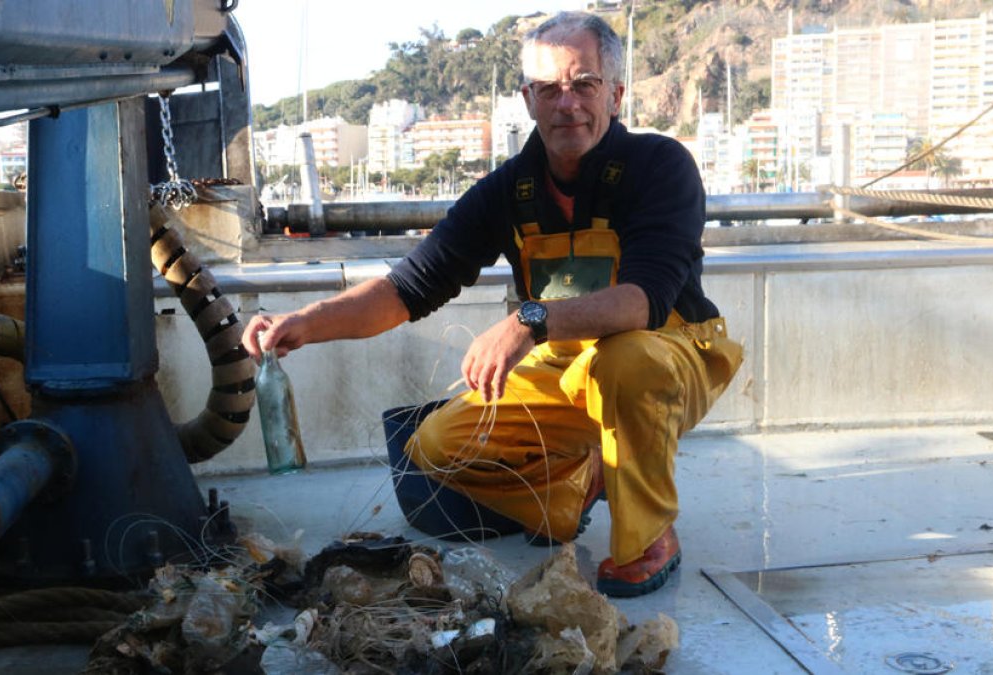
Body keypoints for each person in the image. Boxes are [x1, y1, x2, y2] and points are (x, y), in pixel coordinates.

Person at [242, 11, 742, 597]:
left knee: (625, 362)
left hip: (671, 354)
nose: (567, 104)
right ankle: (575, 486)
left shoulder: (660, 166)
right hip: (565, 364)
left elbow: (644, 303)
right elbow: (407, 289)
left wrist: (530, 320)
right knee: (436, 446)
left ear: (615, 94)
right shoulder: (507, 191)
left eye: (583, 84)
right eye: (549, 89)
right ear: (528, 101)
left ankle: (648, 537)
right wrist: (303, 324)